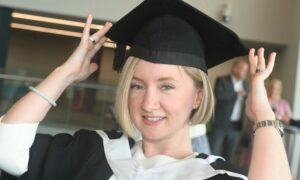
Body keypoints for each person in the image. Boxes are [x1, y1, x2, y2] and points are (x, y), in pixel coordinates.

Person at [0, 0, 292, 179]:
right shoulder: (94, 150)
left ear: (198, 96)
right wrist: (65, 74)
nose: (149, 103)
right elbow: (6, 148)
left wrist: (262, 111)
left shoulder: (215, 176)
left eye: (166, 86)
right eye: (137, 85)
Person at [209, 60, 249, 162]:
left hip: (236, 126)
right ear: (235, 68)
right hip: (220, 123)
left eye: (246, 70)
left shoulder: (246, 84)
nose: (245, 73)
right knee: (212, 152)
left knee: (229, 155)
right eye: (243, 70)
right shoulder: (222, 80)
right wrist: (236, 94)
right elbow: (219, 95)